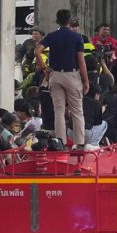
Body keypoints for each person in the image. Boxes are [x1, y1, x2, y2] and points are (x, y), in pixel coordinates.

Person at [35, 9, 90, 150]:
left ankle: (61, 143)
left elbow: (37, 51)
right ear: (70, 20)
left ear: (57, 20)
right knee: (77, 111)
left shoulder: (52, 36)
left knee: (58, 111)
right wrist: (86, 80)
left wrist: (44, 68)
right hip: (72, 75)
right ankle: (79, 144)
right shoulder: (77, 37)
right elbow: (81, 62)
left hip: (55, 75)